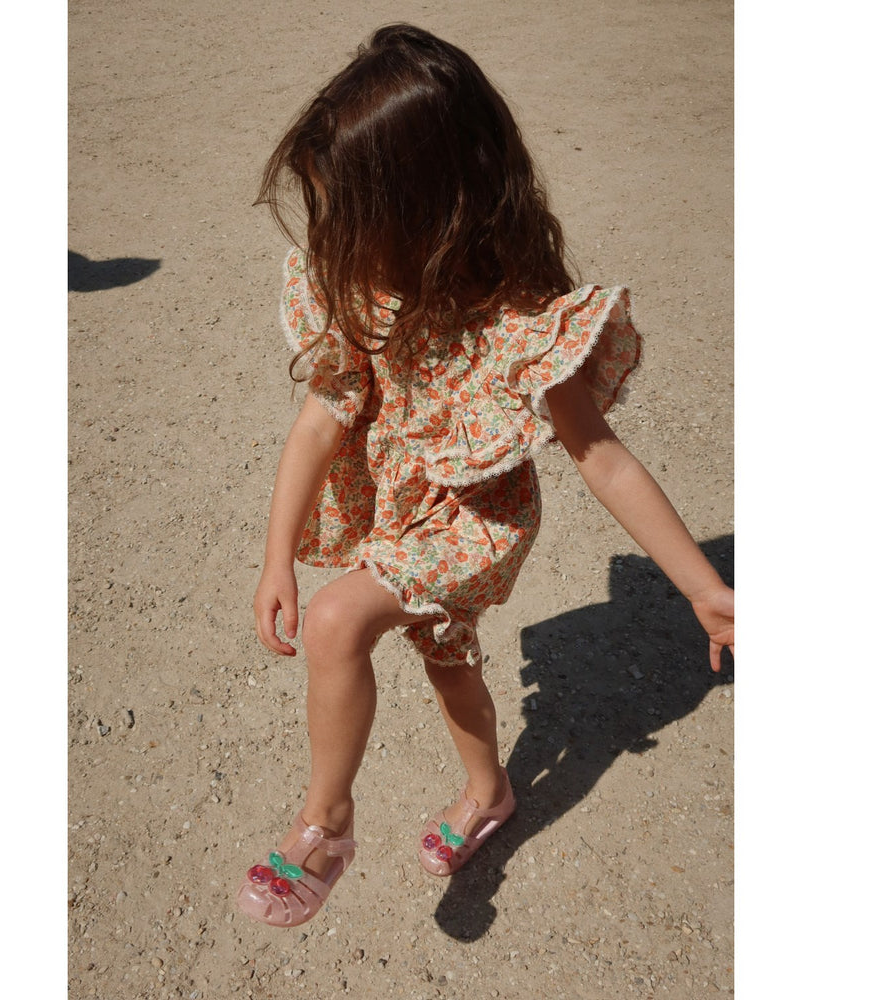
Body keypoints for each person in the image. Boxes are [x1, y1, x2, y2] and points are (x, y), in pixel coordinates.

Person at [238, 23, 734, 928]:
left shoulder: (515, 317)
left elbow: (602, 458)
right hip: (403, 506)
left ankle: (326, 823)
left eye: (352, 219)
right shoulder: (362, 285)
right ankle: (491, 790)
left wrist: (704, 587)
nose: (335, 239)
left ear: (429, 206)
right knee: (447, 657)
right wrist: (278, 558)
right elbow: (320, 418)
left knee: (341, 619)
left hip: (476, 521)